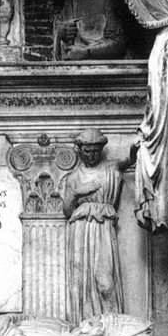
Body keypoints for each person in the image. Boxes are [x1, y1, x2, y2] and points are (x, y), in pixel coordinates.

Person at [62, 128, 134, 320]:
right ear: (80, 150)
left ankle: (110, 326)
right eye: (87, 150)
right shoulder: (74, 177)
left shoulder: (111, 168)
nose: (92, 155)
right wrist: (77, 193)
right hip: (81, 229)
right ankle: (83, 327)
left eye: (95, 150)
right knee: (81, 282)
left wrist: (141, 143)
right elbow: (68, 210)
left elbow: (130, 159)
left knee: (105, 283)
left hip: (102, 228)